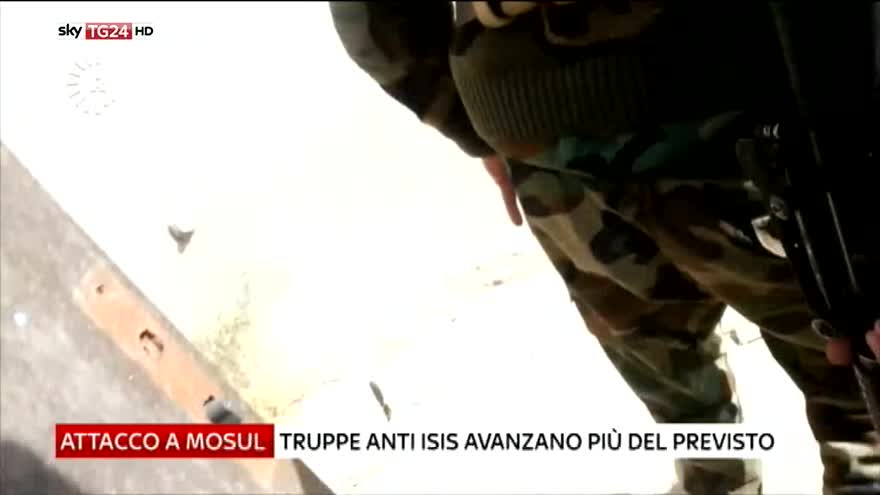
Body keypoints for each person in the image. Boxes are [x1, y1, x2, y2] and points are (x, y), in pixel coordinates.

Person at [328, 2, 880, 493]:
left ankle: (718, 482)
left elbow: (370, 19)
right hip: (760, 116)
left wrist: (473, 123)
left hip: (546, 141)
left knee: (682, 395)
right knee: (857, 402)